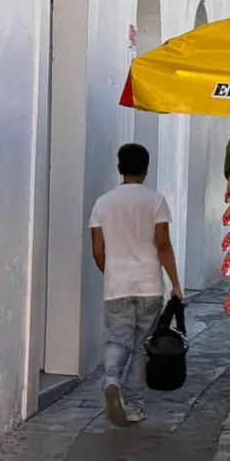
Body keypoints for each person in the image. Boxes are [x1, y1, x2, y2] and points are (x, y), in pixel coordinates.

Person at [89, 143, 182, 427]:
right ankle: (134, 405)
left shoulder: (102, 203)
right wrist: (176, 284)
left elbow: (97, 250)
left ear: (120, 168)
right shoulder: (155, 201)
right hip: (148, 285)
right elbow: (163, 244)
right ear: (146, 169)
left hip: (116, 284)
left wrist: (113, 272)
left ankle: (112, 380)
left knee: (117, 339)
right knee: (142, 347)